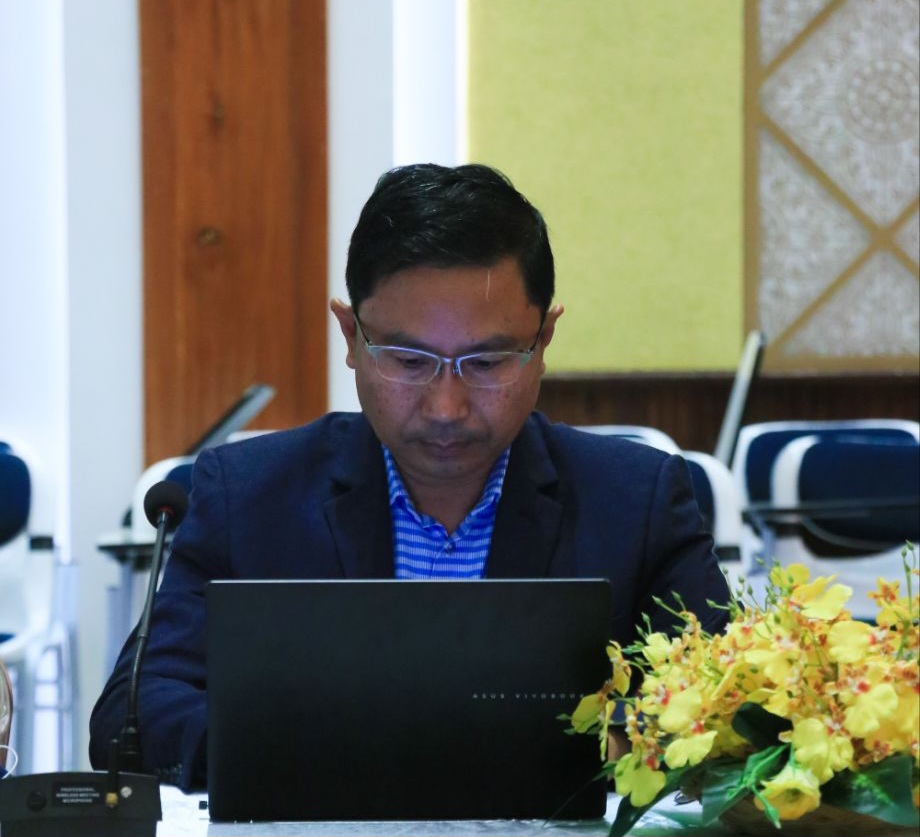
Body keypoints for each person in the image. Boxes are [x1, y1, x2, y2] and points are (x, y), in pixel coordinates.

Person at [89, 162, 730, 789]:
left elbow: (729, 704)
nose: (446, 407)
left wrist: (572, 746)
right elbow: (132, 713)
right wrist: (312, 748)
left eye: (487, 362)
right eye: (409, 360)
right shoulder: (249, 495)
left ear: (543, 342)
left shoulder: (636, 500)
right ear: (351, 335)